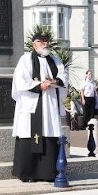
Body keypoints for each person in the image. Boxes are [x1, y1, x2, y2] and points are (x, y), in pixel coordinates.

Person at [11, 30, 67, 182]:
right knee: (30, 135)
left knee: (49, 134)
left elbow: (63, 76)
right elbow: (20, 81)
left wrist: (54, 82)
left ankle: (49, 173)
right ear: (34, 44)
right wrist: (40, 85)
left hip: (50, 104)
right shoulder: (26, 60)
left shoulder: (55, 60)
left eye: (47, 41)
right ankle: (28, 174)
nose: (46, 44)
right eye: (42, 41)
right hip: (33, 104)